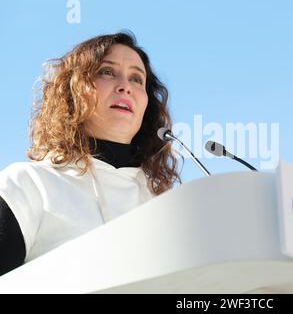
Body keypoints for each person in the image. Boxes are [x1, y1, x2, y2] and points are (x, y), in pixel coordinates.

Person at [0, 32, 180, 276]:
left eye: (137, 79)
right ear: (73, 90)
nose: (125, 86)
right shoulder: (29, 184)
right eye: (107, 72)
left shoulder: (168, 206)